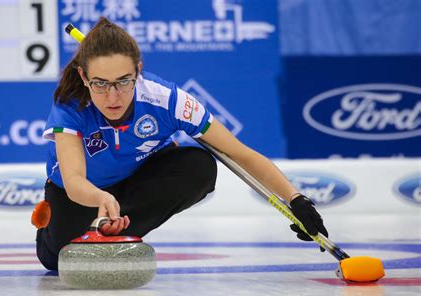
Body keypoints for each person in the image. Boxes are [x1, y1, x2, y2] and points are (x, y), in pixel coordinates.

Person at [34, 17, 329, 271]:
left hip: (135, 183)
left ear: (139, 70)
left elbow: (239, 154)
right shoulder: (71, 105)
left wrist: (296, 199)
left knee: (199, 166)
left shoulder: (168, 100)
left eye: (123, 81)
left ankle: (117, 235)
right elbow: (74, 182)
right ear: (84, 77)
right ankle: (68, 234)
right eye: (100, 83)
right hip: (81, 194)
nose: (113, 97)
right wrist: (103, 200)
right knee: (59, 258)